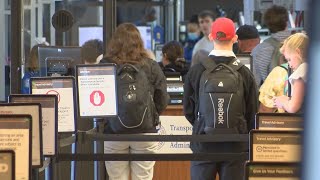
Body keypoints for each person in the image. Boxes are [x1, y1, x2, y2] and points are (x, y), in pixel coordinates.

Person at [183, 17, 258, 180]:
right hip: (235, 144)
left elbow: (188, 111)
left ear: (211, 37)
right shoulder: (245, 73)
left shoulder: (196, 71)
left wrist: (205, 123)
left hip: (203, 142)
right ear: (235, 39)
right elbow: (253, 112)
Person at [100, 23, 168, 180]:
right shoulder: (150, 65)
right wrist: (150, 115)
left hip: (113, 131)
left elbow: (98, 98)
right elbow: (162, 98)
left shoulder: (106, 65)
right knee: (143, 177)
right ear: (139, 42)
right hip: (145, 132)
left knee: (117, 178)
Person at [251, 5, 291, 87]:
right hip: (297, 96)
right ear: (287, 22)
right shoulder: (300, 44)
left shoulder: (259, 50)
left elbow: (254, 82)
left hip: (271, 97)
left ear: (267, 25)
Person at [273, 33, 308, 113]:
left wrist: (282, 102)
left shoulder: (301, 71)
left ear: (298, 52)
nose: (289, 65)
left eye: (289, 59)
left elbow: (293, 107)